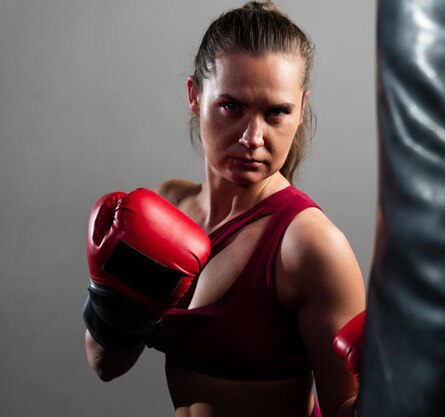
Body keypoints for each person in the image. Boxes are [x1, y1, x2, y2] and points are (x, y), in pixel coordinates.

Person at [83, 2, 366, 417]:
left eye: (276, 112)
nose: (253, 137)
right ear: (195, 96)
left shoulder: (309, 245)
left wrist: (407, 381)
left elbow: (345, 406)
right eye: (232, 106)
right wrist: (113, 300)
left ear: (301, 110)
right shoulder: (167, 207)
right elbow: (105, 364)